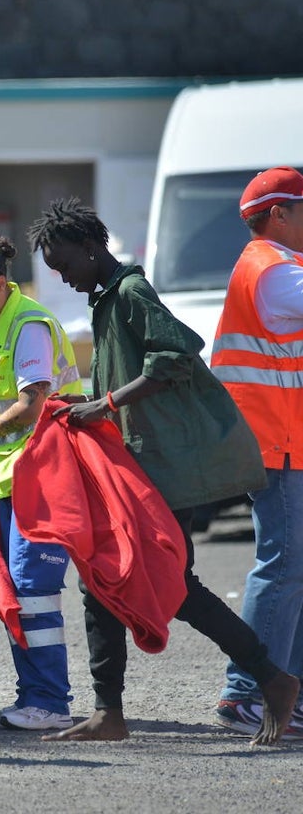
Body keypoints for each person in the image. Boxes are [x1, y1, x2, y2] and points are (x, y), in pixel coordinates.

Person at [33, 195, 300, 745]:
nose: (63, 278)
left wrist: (103, 405)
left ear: (90, 248)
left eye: (64, 266)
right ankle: (109, 711)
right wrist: (82, 403)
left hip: (168, 468)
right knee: (101, 578)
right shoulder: (105, 297)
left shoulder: (130, 292)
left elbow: (175, 356)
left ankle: (271, 679)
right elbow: (128, 375)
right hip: (139, 465)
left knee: (171, 586)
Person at [0, 237, 82, 731]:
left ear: (1, 285)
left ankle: (48, 702)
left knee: (33, 591)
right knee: (18, 590)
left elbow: (31, 404)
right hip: (13, 476)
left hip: (42, 473)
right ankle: (37, 697)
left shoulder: (28, 327)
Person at [210, 167, 303, 740]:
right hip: (275, 441)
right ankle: (247, 691)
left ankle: (282, 688)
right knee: (284, 564)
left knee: (293, 567)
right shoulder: (272, 271)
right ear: (279, 214)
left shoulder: (275, 266)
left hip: (282, 438)